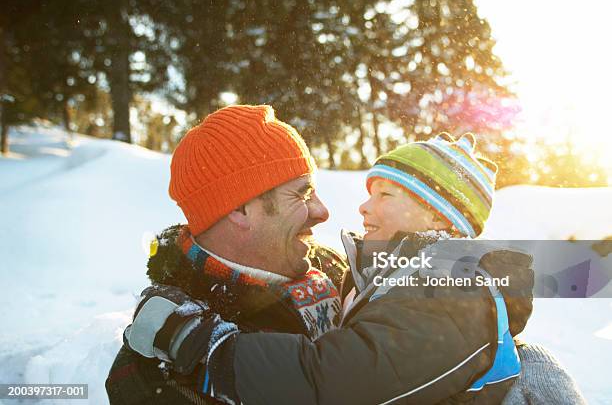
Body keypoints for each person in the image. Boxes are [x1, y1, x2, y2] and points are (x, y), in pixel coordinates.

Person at [125, 131, 542, 404]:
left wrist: (210, 350)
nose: (330, 211)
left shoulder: (451, 286)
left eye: (386, 194)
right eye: (301, 195)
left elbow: (339, 379)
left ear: (438, 217)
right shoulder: (380, 277)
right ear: (239, 209)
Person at [105, 104, 348, 404]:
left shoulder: (335, 266)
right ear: (240, 209)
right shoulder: (170, 364)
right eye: (303, 194)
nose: (323, 212)